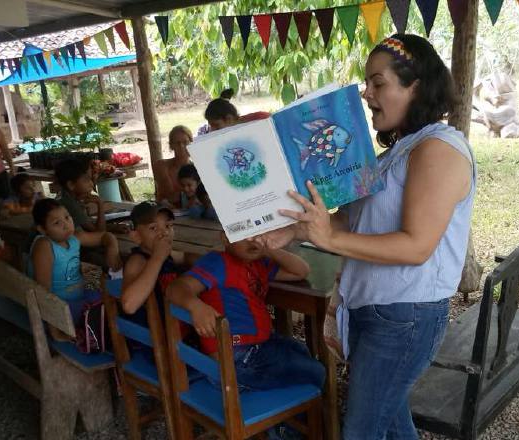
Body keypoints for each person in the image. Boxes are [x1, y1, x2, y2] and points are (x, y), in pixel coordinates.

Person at [255, 34, 476, 439]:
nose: (367, 93)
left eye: (378, 83)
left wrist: (329, 240)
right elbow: (347, 223)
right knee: (389, 421)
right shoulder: (394, 154)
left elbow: (416, 245)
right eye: (366, 83)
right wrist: (293, 229)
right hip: (374, 309)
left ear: (416, 87)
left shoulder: (438, 149)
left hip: (404, 317)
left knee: (362, 430)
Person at [166, 234, 324, 392]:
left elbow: (301, 271)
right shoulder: (218, 262)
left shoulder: (260, 264)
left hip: (256, 347)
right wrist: (196, 307)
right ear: (225, 238)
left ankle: (293, 409)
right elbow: (176, 288)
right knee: (316, 371)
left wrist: (269, 248)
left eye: (258, 235)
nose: (252, 240)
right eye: (243, 235)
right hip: (236, 360)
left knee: (300, 350)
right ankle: (305, 413)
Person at [28, 198, 122, 335]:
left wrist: (112, 247)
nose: (66, 225)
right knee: (102, 314)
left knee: (110, 298)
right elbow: (43, 291)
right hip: (61, 307)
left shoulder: (75, 238)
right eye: (57, 223)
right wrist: (55, 330)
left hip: (81, 295)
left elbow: (105, 236)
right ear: (42, 229)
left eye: (67, 217)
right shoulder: (44, 246)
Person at [120, 202, 198, 317]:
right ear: (136, 236)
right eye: (153, 228)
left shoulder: (168, 255)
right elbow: (129, 305)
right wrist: (157, 258)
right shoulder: (137, 261)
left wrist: (211, 260)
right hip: (153, 331)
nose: (165, 233)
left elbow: (185, 256)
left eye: (168, 226)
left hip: (172, 323)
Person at [54, 159, 128, 234]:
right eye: (86, 180)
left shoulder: (69, 197)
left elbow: (89, 226)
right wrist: (100, 204)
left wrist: (113, 227)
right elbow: (99, 232)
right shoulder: (69, 203)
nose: (91, 184)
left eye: (91, 179)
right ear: (71, 185)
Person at [200, 88, 271, 133]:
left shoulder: (262, 118)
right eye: (211, 126)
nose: (212, 131)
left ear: (229, 118)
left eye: (216, 125)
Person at [155, 125, 193, 207]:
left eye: (185, 142)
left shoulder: (197, 168)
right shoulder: (162, 166)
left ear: (191, 143)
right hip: (167, 212)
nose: (182, 146)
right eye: (177, 143)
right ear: (171, 145)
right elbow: (171, 196)